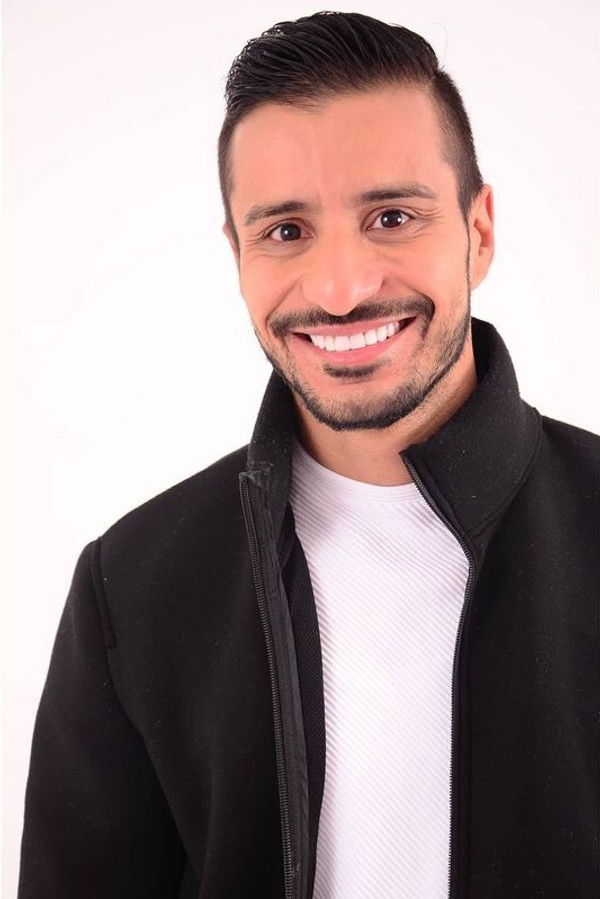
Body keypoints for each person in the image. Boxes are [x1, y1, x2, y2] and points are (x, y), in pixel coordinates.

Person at [18, 11, 598, 899]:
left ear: (479, 231)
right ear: (237, 254)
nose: (340, 288)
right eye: (286, 231)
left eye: (392, 217)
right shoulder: (130, 589)